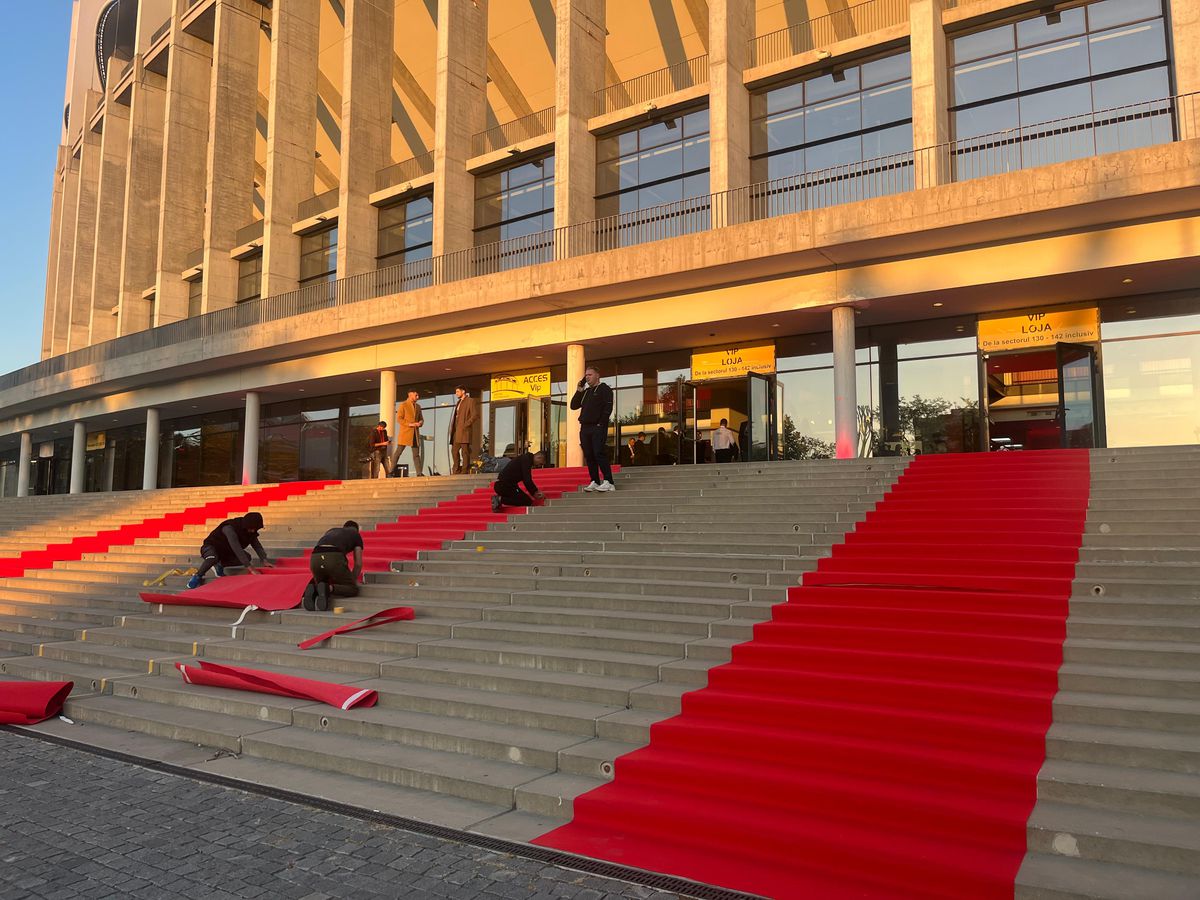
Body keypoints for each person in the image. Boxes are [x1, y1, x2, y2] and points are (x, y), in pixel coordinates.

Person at [187, 512, 272, 589]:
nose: (253, 531)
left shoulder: (250, 531)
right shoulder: (229, 527)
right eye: (252, 528)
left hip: (226, 552)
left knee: (247, 557)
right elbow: (236, 547)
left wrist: (264, 560)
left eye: (255, 529)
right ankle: (198, 576)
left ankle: (219, 564)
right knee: (212, 558)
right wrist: (251, 568)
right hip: (211, 547)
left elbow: (257, 545)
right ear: (246, 525)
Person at [570, 366, 615, 492]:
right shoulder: (586, 392)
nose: (587, 377)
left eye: (590, 374)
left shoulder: (604, 389)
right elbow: (573, 406)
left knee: (598, 452)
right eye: (586, 375)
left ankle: (609, 481)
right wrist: (579, 391)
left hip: (597, 426)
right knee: (589, 455)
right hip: (585, 427)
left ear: (597, 375)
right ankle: (594, 480)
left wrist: (601, 423)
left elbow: (608, 407)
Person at [303, 520, 365, 611]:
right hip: (333, 556)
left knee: (322, 584)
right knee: (352, 589)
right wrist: (352, 580)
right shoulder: (355, 534)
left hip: (315, 557)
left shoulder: (331, 531)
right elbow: (358, 564)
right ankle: (329, 588)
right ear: (356, 529)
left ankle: (314, 589)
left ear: (344, 527)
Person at [391, 390, 424, 476]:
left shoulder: (418, 407)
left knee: (416, 455)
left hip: (415, 434)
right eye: (416, 395)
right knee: (398, 452)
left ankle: (419, 473)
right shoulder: (403, 405)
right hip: (405, 433)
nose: (418, 397)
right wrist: (410, 424)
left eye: (418, 395)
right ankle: (390, 471)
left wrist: (420, 423)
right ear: (410, 395)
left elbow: (421, 418)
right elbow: (399, 419)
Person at [448, 386, 480, 475]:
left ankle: (464, 471)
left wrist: (466, 424)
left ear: (463, 391)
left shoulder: (470, 401)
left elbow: (475, 415)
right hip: (456, 431)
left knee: (465, 451)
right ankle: (456, 470)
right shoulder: (458, 402)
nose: (456, 393)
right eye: (456, 392)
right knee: (454, 451)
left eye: (458, 391)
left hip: (464, 431)